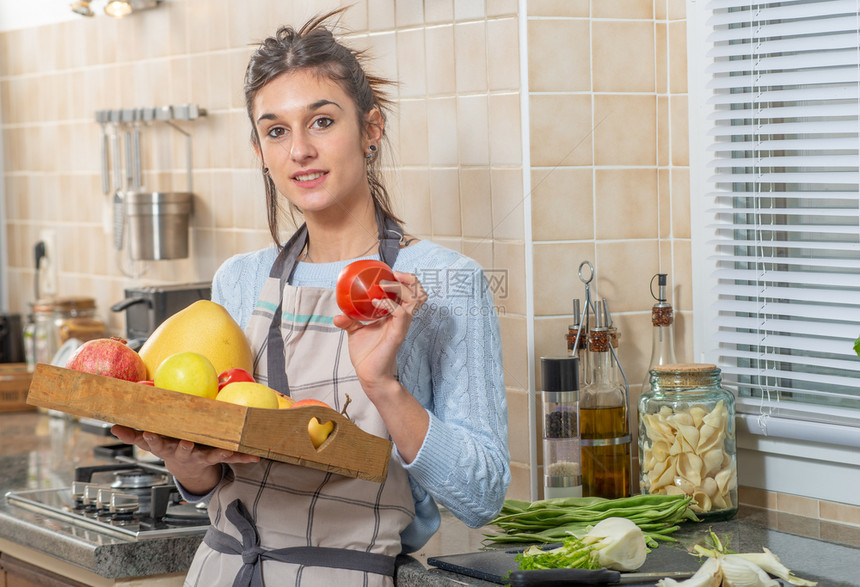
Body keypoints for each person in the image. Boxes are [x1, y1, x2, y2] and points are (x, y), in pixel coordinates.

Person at [112, 9, 510, 586]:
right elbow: (213, 479)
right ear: (260, 150)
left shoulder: (445, 283)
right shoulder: (240, 282)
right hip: (224, 571)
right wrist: (185, 465)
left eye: (322, 122)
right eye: (277, 131)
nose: (299, 150)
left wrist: (384, 387)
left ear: (371, 129)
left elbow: (482, 496)